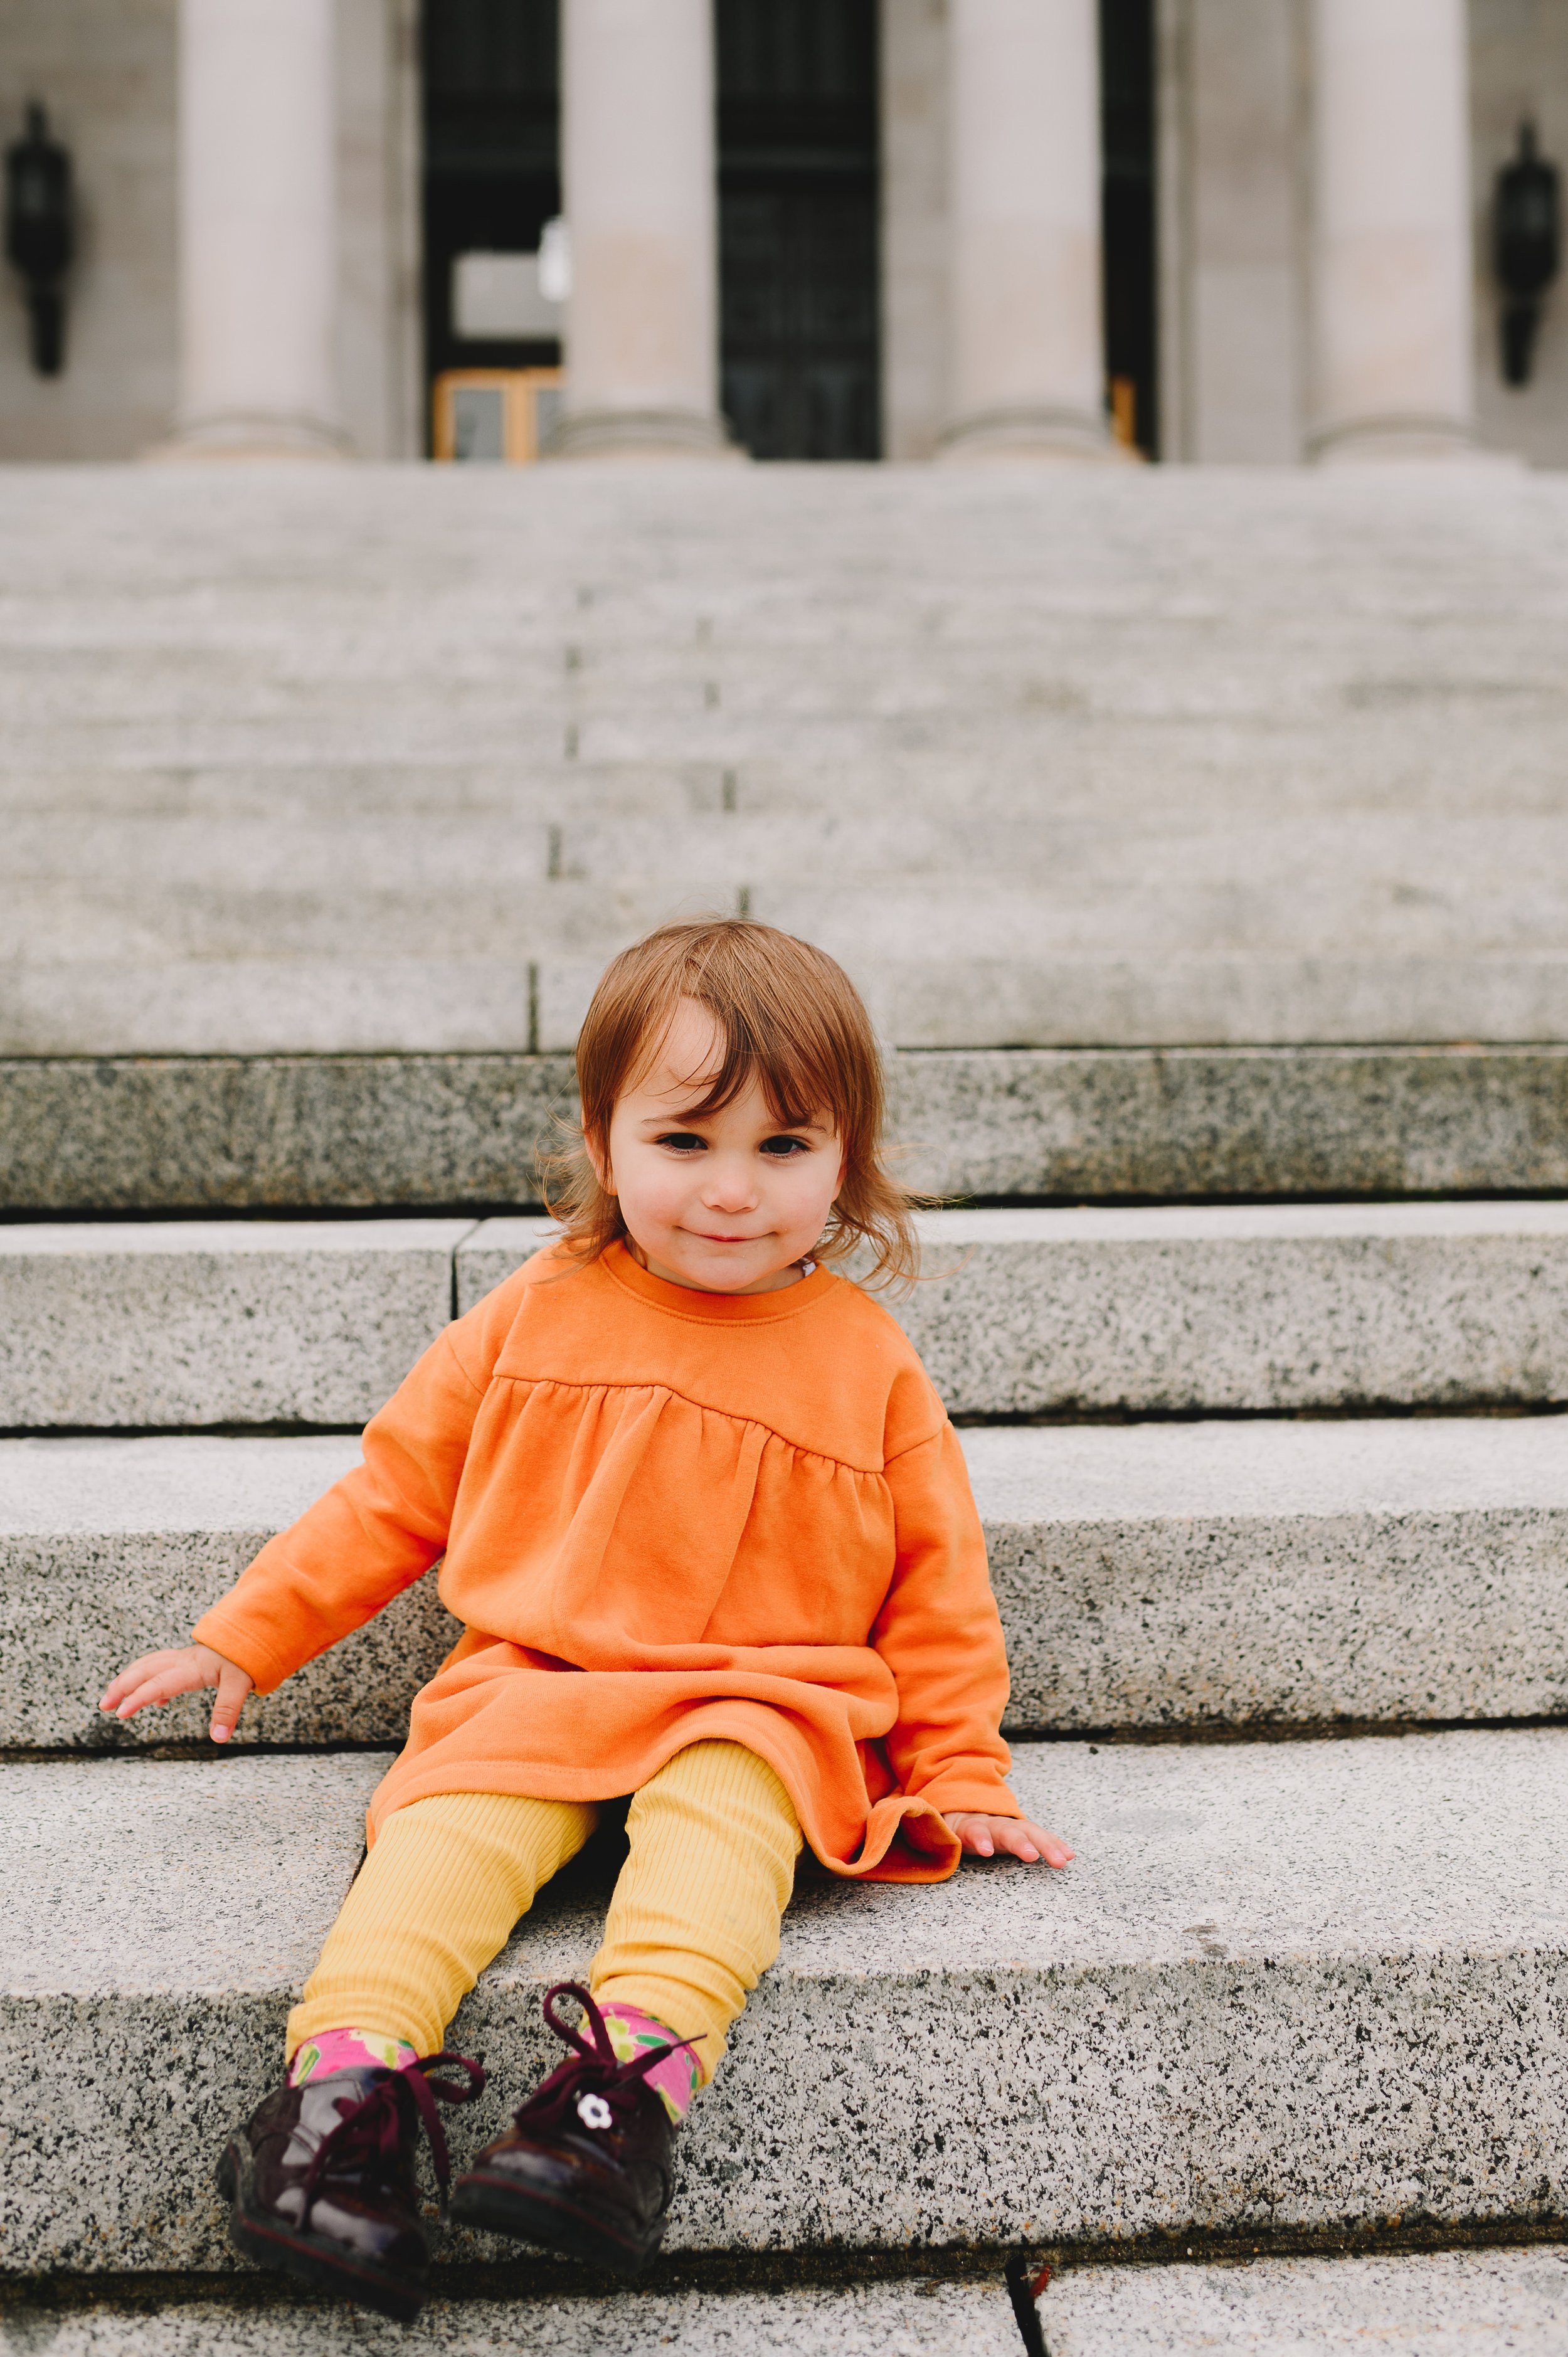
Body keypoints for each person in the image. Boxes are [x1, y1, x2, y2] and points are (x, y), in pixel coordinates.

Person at [100, 918, 1072, 2324]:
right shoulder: (534, 1309)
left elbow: (938, 1585)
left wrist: (958, 1767)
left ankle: (615, 2105)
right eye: (685, 1142)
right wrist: (245, 1632)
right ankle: (334, 2108)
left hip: (760, 1695)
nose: (733, 1190)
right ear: (600, 1137)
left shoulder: (865, 1358)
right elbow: (392, 1495)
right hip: (537, 1678)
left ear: (844, 1155)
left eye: (785, 1147)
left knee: (728, 1824)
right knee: (446, 1835)